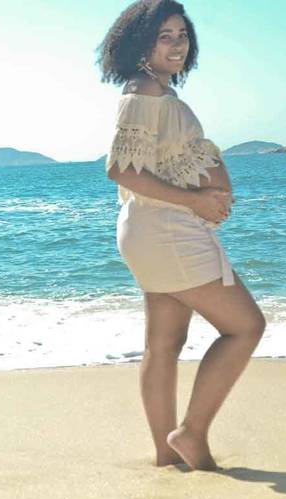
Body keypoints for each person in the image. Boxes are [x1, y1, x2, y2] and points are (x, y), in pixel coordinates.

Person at [97, 0, 266, 471]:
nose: (176, 45)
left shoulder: (157, 93)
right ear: (140, 44)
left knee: (164, 344)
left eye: (182, 35)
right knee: (246, 326)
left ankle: (165, 457)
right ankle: (190, 433)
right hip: (167, 230)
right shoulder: (143, 92)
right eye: (164, 36)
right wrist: (196, 200)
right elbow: (121, 170)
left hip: (157, 230)